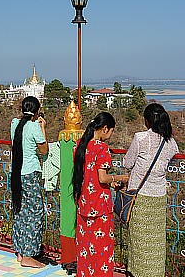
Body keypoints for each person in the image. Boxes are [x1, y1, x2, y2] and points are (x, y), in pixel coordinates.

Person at [123, 103, 179, 277]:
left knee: (139, 241)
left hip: (140, 197)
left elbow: (127, 163)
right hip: (158, 197)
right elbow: (173, 161)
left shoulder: (140, 138)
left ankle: (137, 273)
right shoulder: (170, 142)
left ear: (147, 120)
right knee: (156, 242)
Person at [72, 112, 129, 277]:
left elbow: (87, 174)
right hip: (100, 205)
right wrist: (119, 177)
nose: (110, 135)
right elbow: (102, 177)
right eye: (111, 131)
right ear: (105, 129)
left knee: (85, 247)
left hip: (84, 202)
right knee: (102, 247)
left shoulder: (80, 145)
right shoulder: (102, 148)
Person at [10, 96, 48, 268]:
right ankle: (29, 255)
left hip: (16, 173)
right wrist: (43, 127)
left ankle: (20, 251)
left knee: (20, 210)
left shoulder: (14, 124)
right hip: (30, 174)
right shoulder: (34, 128)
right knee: (35, 213)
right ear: (37, 110)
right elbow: (44, 150)